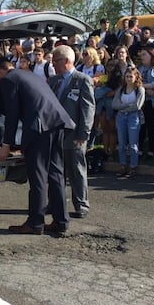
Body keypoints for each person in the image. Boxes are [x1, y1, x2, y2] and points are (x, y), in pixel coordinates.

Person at [0, 57, 74, 235]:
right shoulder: (30, 75)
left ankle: (35, 223)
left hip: (39, 128)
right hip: (57, 123)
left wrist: (6, 144)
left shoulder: (8, 79)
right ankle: (61, 221)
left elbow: (11, 114)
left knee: (37, 176)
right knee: (56, 173)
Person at [49, 45, 95, 219]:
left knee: (76, 170)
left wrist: (83, 134)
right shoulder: (53, 81)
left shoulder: (82, 80)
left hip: (74, 135)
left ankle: (81, 204)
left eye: (56, 61)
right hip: (55, 134)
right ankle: (54, 203)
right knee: (55, 171)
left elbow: (88, 109)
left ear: (66, 61)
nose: (52, 64)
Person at [112, 65, 145, 177]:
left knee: (133, 144)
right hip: (121, 117)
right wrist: (125, 106)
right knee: (121, 143)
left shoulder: (140, 89)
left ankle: (133, 166)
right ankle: (122, 165)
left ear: (136, 77)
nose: (129, 79)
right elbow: (114, 104)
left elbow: (137, 106)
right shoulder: (121, 89)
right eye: (127, 76)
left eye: (131, 76)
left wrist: (122, 106)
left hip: (133, 117)